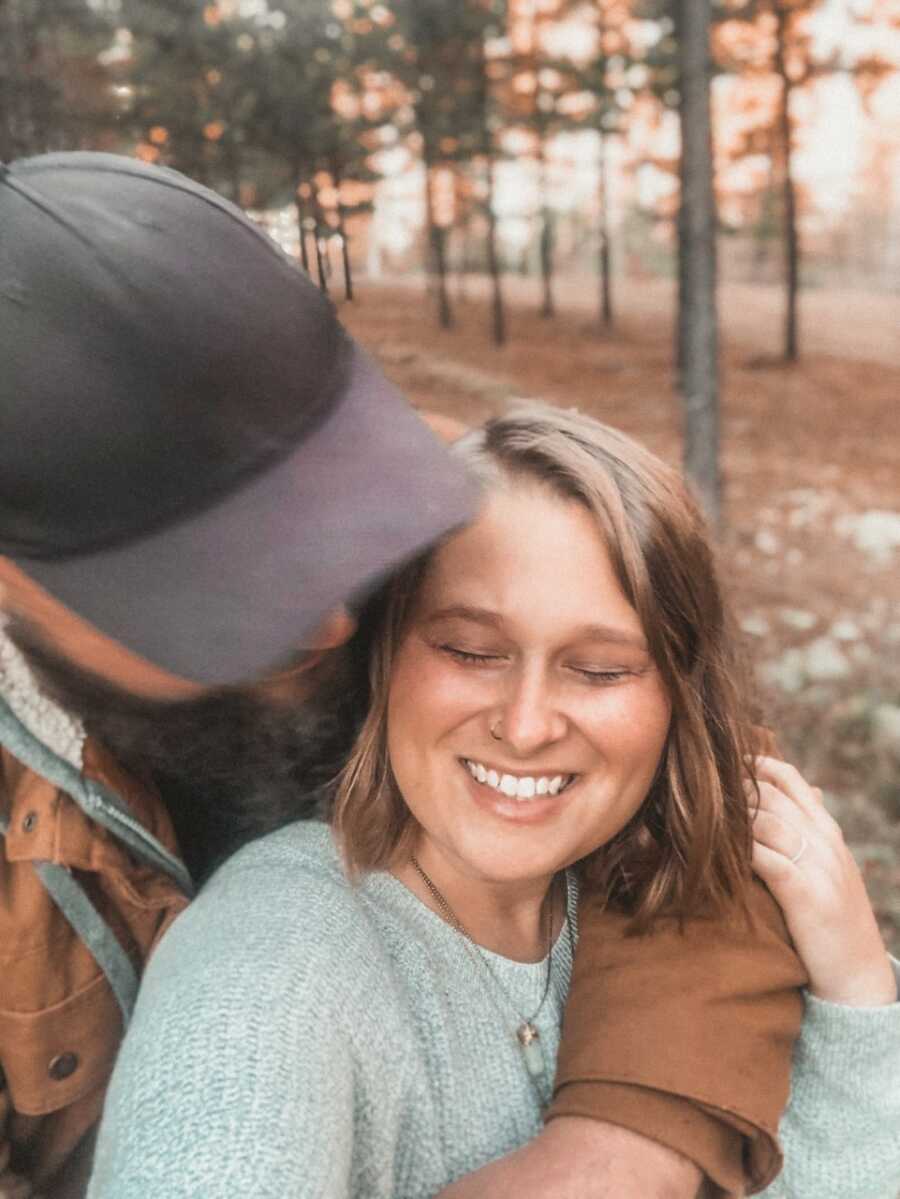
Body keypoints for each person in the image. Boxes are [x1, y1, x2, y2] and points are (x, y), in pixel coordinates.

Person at [87, 405, 899, 1198]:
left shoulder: (683, 887)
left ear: (680, 699)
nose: (525, 723)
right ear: (384, 656)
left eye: (600, 668)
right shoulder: (266, 969)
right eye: (472, 651)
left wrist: (856, 988)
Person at [0, 149, 477, 1198]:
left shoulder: (484, 525)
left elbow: (695, 818)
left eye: (327, 512)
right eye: (217, 577)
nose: (334, 615)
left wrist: (632, 1124)